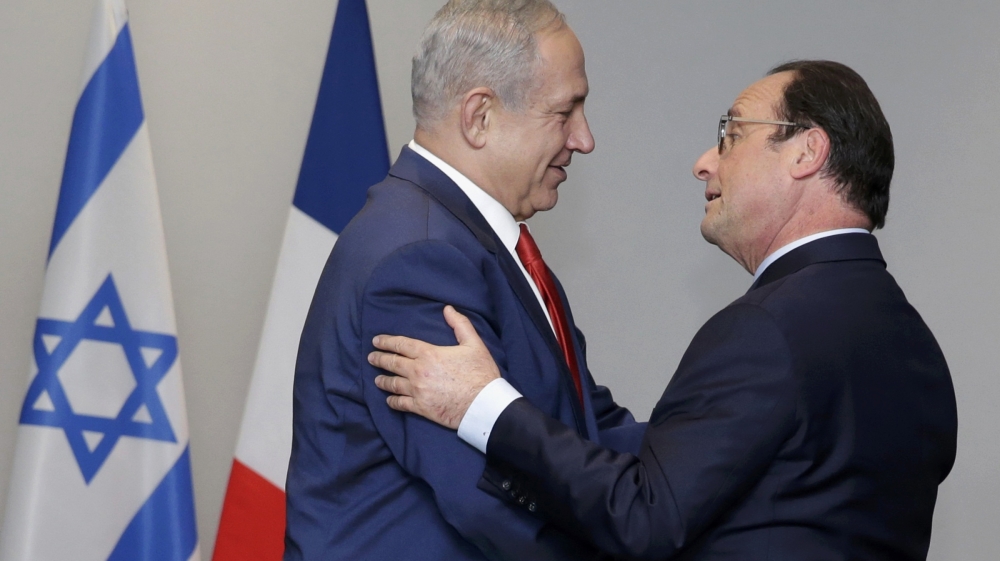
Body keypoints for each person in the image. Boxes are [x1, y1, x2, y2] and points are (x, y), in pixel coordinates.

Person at [368, 60, 959, 560]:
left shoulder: (769, 329)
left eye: (731, 132)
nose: (705, 160)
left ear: (807, 151)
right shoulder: (917, 347)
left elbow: (645, 516)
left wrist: (486, 407)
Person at [283, 1, 640, 559]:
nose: (584, 139)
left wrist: (729, 448)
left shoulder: (472, 240)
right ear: (480, 116)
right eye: (565, 112)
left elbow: (585, 426)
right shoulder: (420, 257)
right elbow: (484, 496)